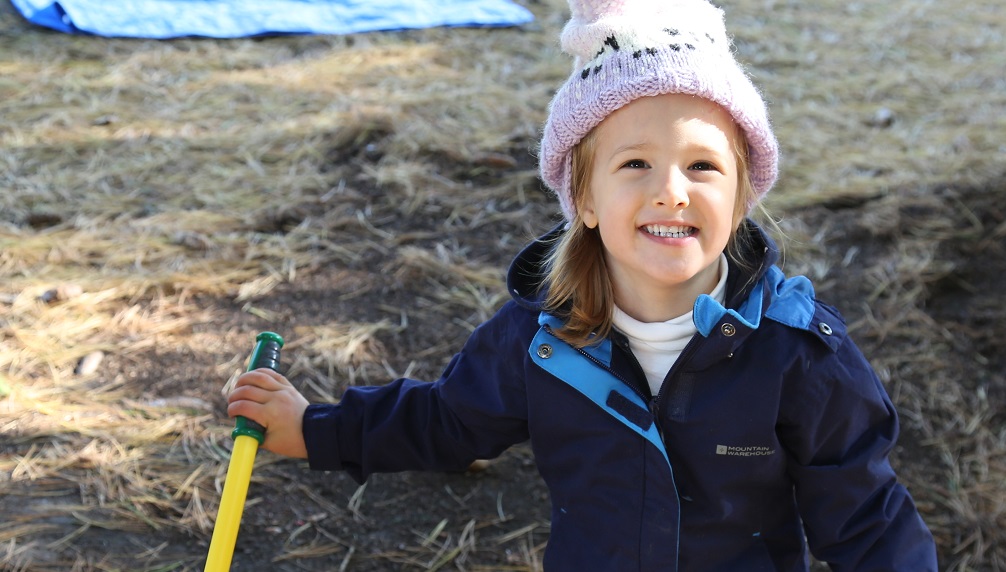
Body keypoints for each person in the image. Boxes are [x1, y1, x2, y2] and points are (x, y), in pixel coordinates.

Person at [226, 0, 939, 569]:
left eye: (702, 167)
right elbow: (446, 422)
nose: (671, 192)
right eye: (634, 164)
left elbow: (864, 516)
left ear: (743, 194)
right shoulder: (540, 339)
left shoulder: (798, 355)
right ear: (585, 200)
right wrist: (315, 430)